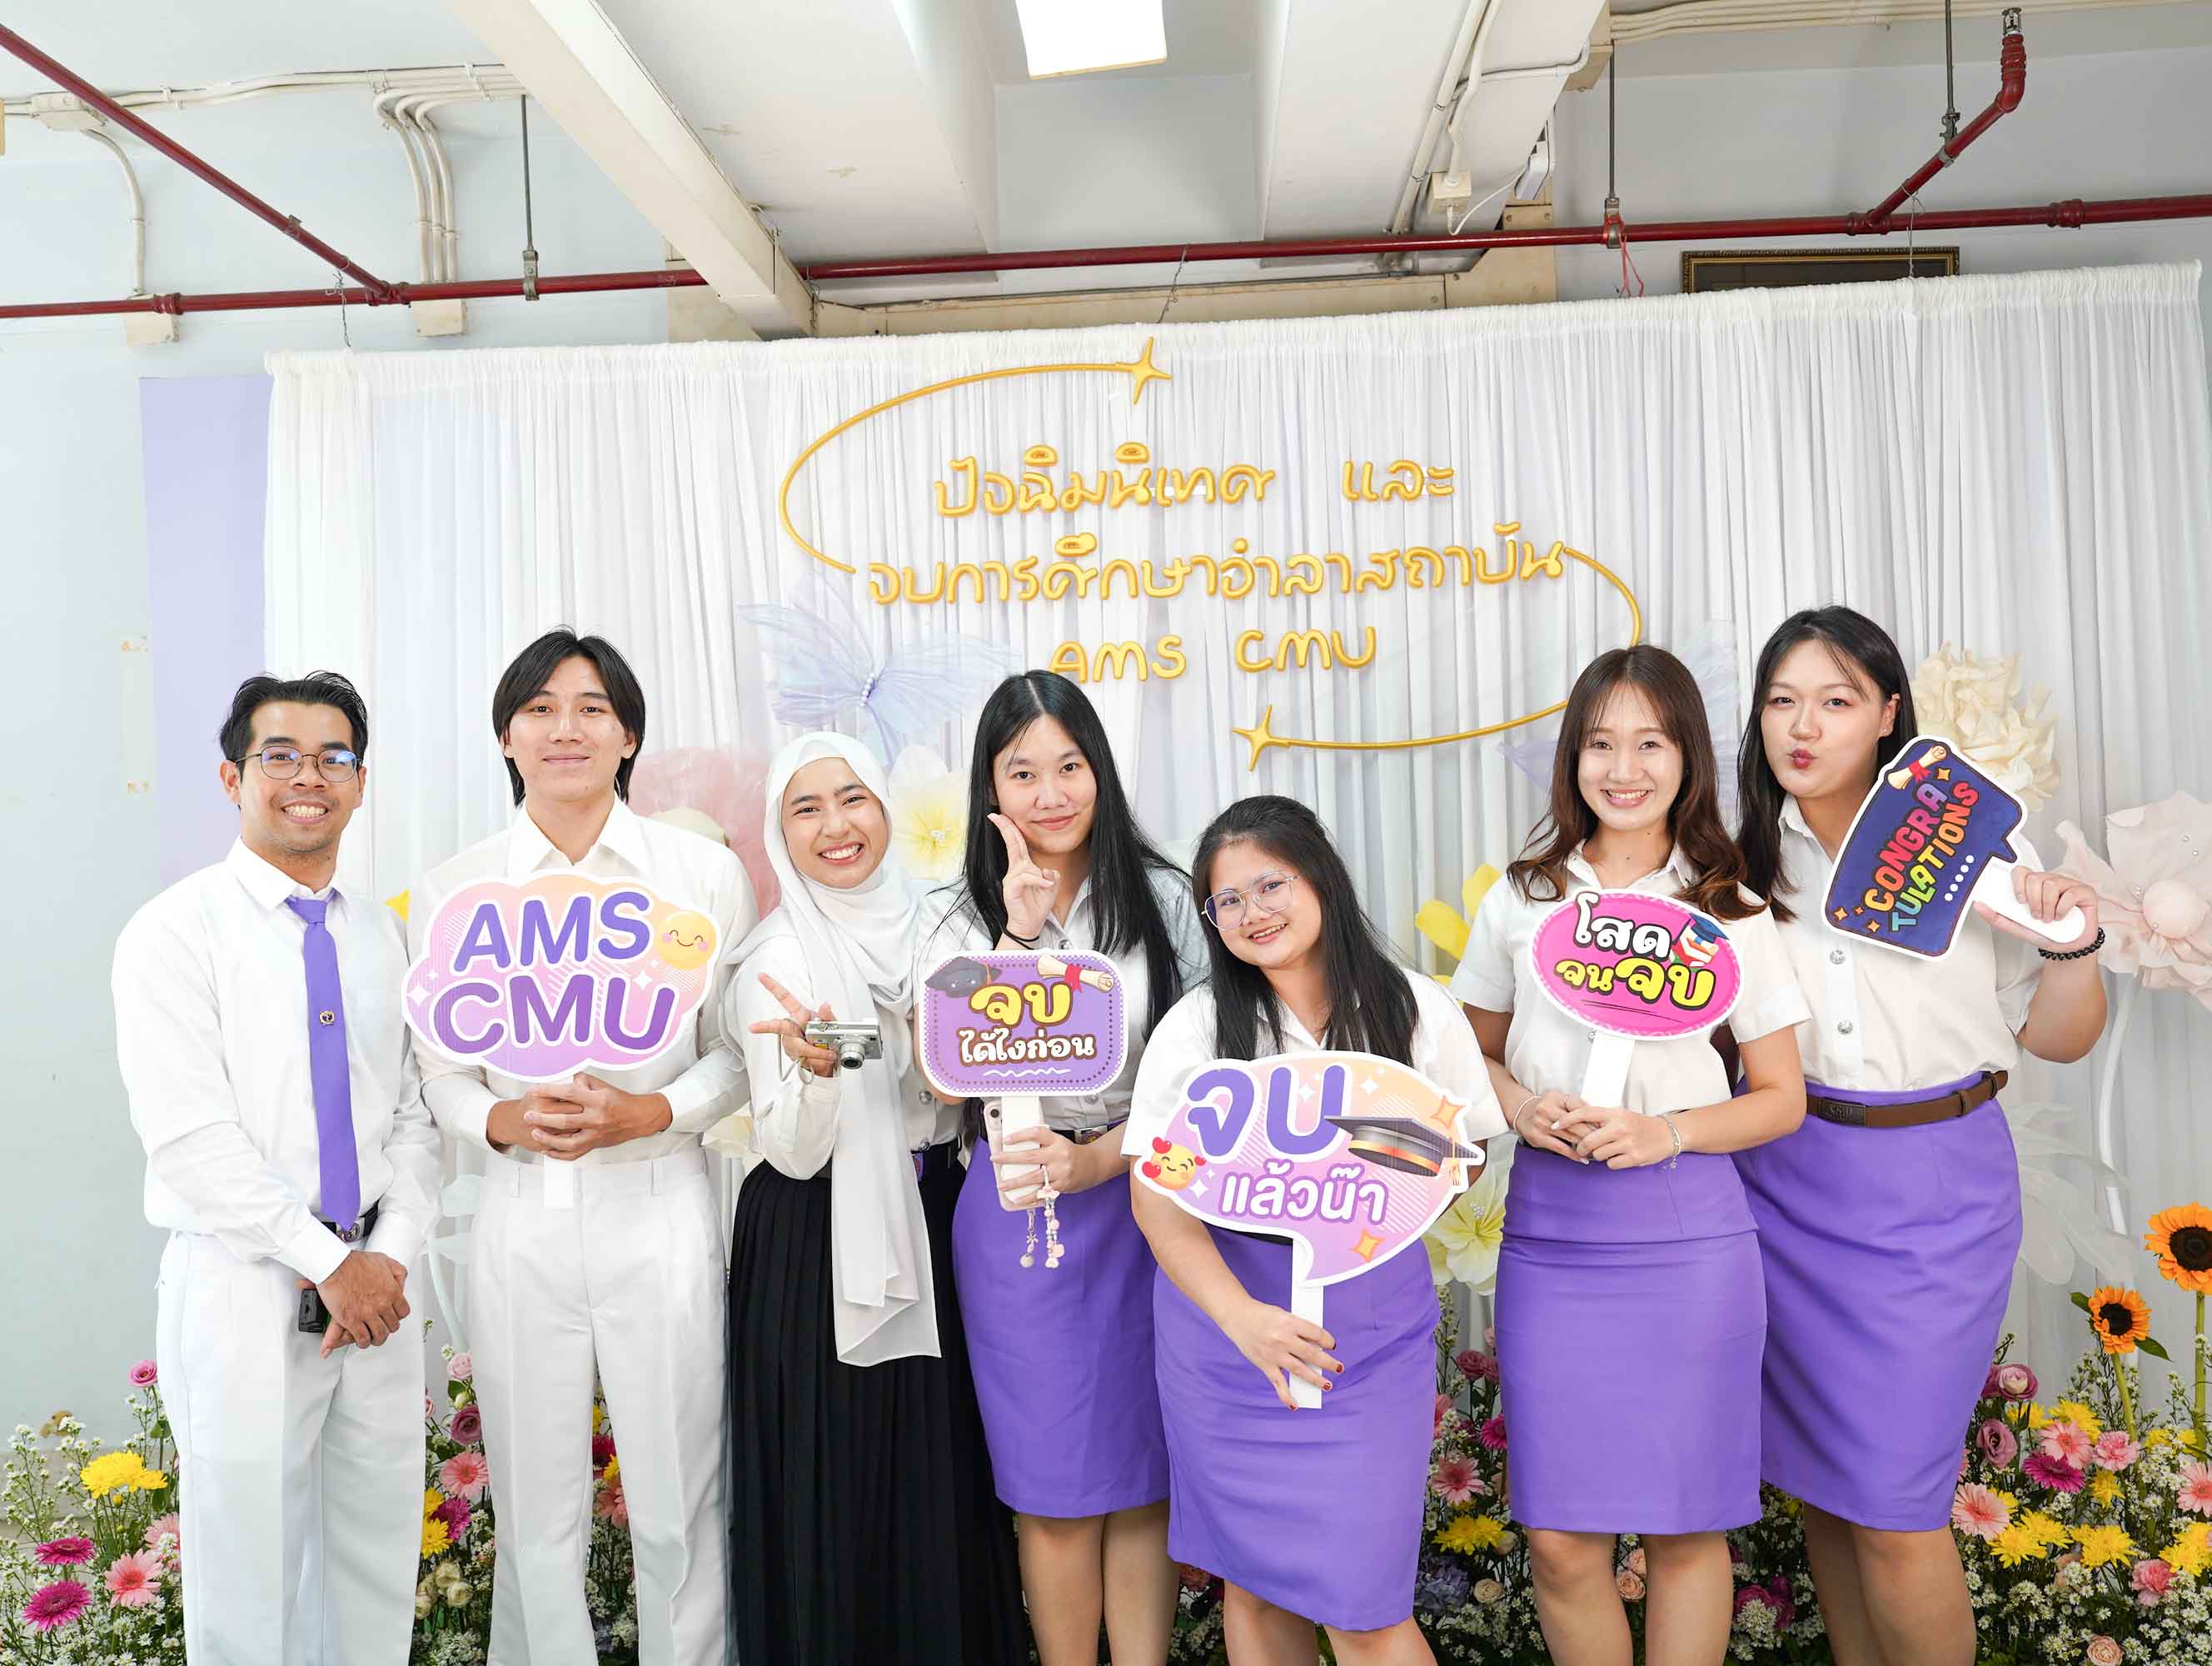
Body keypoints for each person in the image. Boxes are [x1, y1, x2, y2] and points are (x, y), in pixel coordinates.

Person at [1733, 606, 2106, 1666]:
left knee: (1897, 1509)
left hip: (1938, 1186)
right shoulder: (1733, 861)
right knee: (1828, 1490)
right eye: (1781, 700)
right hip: (1784, 1180)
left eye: (1835, 699)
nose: (1803, 725)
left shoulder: (1972, 842)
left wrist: (2072, 941)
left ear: (1889, 712)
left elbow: (2056, 1037)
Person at [1451, 646, 1807, 1666]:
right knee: (1561, 1536)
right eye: (1600, 743)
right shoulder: (1523, 896)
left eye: (1649, 742)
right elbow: (1467, 1055)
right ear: (1573, 758)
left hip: (1689, 1238)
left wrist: (1669, 1130)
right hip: (1553, 1237)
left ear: (1687, 756)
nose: (1623, 767)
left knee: (1685, 1524)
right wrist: (1522, 1106)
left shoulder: (1729, 908)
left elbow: (1780, 1098)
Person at [410, 629, 754, 1666]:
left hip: (659, 1203)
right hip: (520, 1214)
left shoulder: (700, 875)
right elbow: (438, 1070)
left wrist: (657, 1110)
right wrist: (498, 1120)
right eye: (541, 707)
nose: (567, 727)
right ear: (506, 736)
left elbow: (738, 1050)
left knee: (680, 1496)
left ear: (628, 736)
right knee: (535, 1508)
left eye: (593, 707)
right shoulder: (454, 888)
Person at [1127, 795, 1507, 1666]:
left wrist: (1369, 1197)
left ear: (1321, 878)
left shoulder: (1416, 1008)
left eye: (1272, 884)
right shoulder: (1197, 1028)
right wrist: (1242, 1319)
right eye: (1228, 900)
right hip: (1226, 1341)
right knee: (1255, 1589)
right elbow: (1158, 1194)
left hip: (1368, 1337)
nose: (1253, 912)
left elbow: (1469, 1151)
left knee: (1364, 1606)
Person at [113, 671, 439, 1664]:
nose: (310, 776)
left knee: (376, 1562)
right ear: (232, 777)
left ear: (360, 781)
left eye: (334, 757)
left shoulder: (382, 934)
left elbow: (413, 1116)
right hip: (244, 1281)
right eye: (281, 755)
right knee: (248, 1578)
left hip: (377, 1293)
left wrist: (384, 1256)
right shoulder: (174, 931)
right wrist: (326, 1261)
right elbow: (190, 1139)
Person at [914, 671, 1201, 1666]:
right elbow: (940, 1074)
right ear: (990, 786)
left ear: (1100, 771)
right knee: (1053, 1486)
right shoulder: (951, 912)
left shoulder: (1166, 898)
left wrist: (1103, 1159)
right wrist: (1019, 933)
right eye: (1022, 770)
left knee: (1144, 1474)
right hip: (1019, 1204)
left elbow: (1206, 1068)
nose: (1050, 793)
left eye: (1069, 765)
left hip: (1151, 1196)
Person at [725, 731, 1029, 1664]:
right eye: (806, 808)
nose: (836, 825)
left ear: (885, 806)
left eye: (852, 797)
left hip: (939, 1216)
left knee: (942, 1472)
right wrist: (818, 1073)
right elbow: (790, 1149)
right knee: (840, 1480)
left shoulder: (945, 927)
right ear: (779, 833)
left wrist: (1016, 943)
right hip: (816, 1240)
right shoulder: (775, 959)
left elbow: (985, 1067)